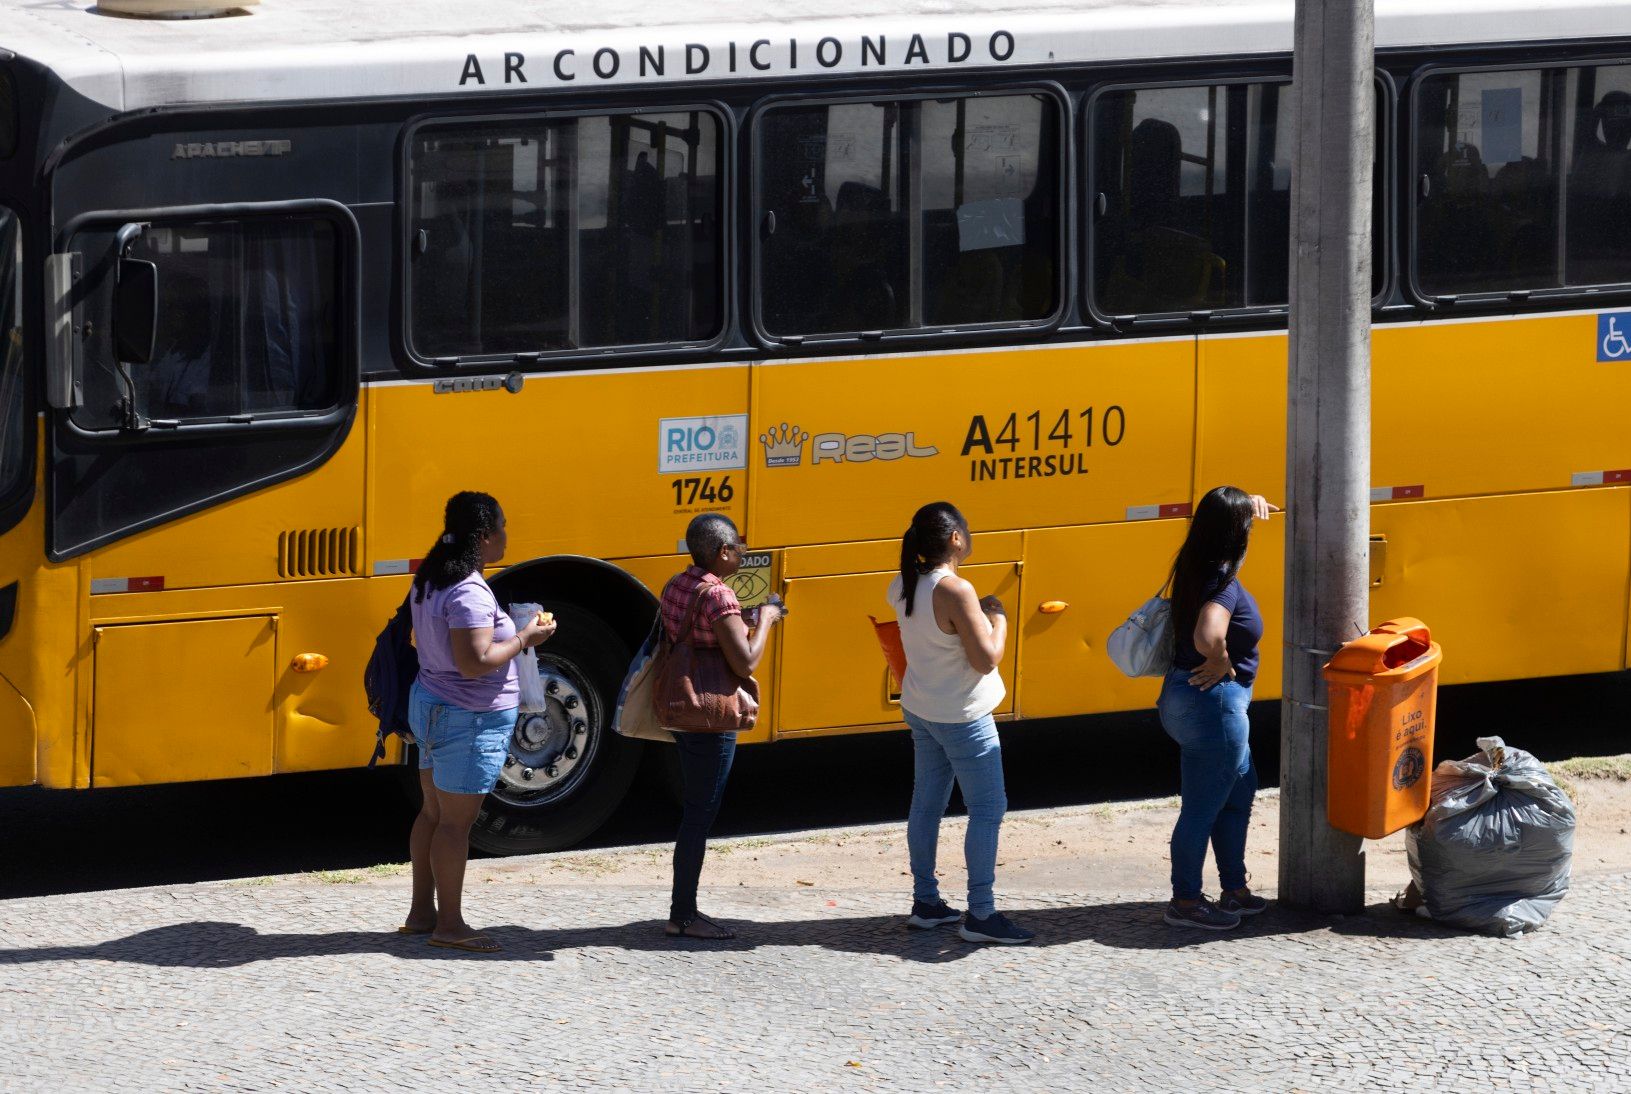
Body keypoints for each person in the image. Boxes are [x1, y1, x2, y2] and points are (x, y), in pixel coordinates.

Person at [402, 491, 555, 952]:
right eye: (503, 528)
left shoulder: (431, 577)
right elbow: (475, 662)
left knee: (432, 813)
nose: (507, 536)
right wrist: (526, 637)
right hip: (466, 717)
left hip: (433, 705)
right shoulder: (467, 590)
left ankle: (422, 913)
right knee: (454, 825)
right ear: (485, 535)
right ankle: (449, 925)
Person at [888, 502, 1032, 945]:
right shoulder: (956, 590)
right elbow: (986, 659)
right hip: (962, 716)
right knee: (987, 809)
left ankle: (926, 902)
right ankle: (981, 914)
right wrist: (998, 619)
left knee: (926, 803)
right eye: (966, 528)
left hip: (922, 707)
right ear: (955, 538)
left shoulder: (903, 582)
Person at [1158, 486, 1278, 931]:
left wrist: (1247, 502)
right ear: (1235, 533)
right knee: (1202, 808)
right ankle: (1186, 901)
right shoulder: (1221, 581)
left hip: (1186, 698)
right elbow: (1209, 634)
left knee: (1237, 795)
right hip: (1214, 706)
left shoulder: (1195, 562)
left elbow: (1223, 510)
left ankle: (1234, 889)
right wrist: (1221, 657)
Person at [660, 512, 782, 940]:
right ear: (723, 551)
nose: (743, 554)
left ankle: (683, 911)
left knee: (694, 809)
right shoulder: (718, 595)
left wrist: (741, 619)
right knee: (699, 815)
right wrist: (765, 620)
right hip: (712, 715)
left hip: (683, 706)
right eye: (739, 547)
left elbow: (700, 633)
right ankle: (683, 915)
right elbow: (746, 661)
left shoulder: (678, 584)